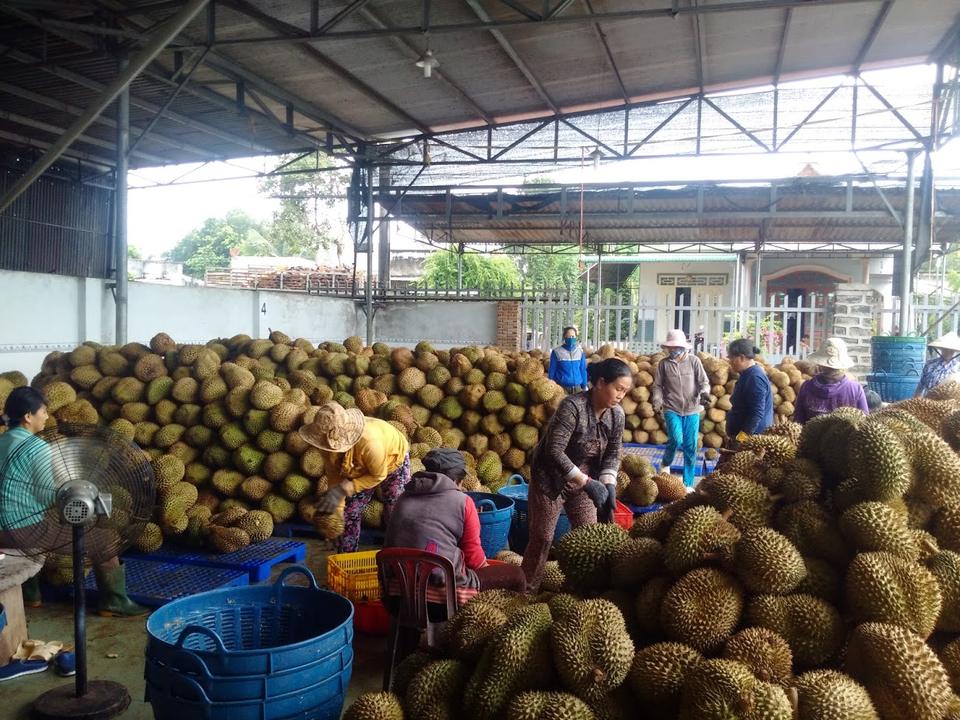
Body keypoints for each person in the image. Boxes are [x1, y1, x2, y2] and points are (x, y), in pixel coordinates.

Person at [0, 387, 148, 617]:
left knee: (37, 518)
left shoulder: (2, 441)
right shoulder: (37, 447)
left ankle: (30, 594)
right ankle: (114, 601)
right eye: (43, 411)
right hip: (21, 530)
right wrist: (73, 488)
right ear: (28, 416)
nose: (47, 416)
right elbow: (46, 496)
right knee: (104, 540)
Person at [521, 358, 631, 593]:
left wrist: (608, 483)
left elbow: (613, 453)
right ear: (601, 383)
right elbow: (554, 450)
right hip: (550, 478)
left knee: (587, 537)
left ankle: (575, 590)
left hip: (585, 480)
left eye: (625, 391)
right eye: (618, 388)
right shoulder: (573, 407)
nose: (621, 395)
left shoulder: (617, 416)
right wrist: (587, 482)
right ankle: (526, 591)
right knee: (543, 537)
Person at [384, 448, 526, 593]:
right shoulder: (463, 502)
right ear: (456, 479)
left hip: (396, 594)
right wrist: (488, 571)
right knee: (517, 574)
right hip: (443, 597)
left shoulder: (403, 497)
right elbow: (474, 560)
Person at [299, 401, 410, 553]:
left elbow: (378, 475)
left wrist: (350, 487)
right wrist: (336, 512)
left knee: (394, 508)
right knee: (349, 511)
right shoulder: (325, 444)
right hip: (357, 466)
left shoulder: (370, 443)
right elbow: (333, 475)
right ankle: (346, 555)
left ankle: (398, 554)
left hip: (392, 459)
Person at [651, 329, 710, 489]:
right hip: (671, 407)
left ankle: (688, 484)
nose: (673, 350)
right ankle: (666, 462)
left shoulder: (694, 361)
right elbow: (657, 386)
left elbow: (704, 382)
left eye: (676, 347)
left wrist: (704, 393)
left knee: (690, 446)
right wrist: (657, 400)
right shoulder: (664, 364)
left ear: (683, 346)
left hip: (692, 409)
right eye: (670, 347)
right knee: (676, 439)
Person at [793, 337, 869, 423]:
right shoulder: (855, 389)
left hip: (811, 436)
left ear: (820, 364)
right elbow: (864, 423)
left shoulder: (806, 387)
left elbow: (798, 422)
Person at [724, 339, 774, 447]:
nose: (730, 362)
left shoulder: (754, 378)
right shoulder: (747, 374)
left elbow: (756, 413)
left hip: (752, 440)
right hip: (745, 437)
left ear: (742, 357)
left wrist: (741, 439)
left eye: (732, 358)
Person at [915, 331, 960, 397]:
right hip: (928, 400)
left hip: (950, 402)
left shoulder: (957, 367)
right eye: (945, 349)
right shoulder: (930, 364)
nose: (948, 351)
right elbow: (921, 386)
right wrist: (915, 400)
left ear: (954, 351)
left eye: (951, 350)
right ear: (941, 349)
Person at [548, 326, 588, 394]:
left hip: (577, 388)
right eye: (569, 336)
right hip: (562, 388)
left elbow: (583, 370)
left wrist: (584, 385)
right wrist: (551, 386)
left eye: (573, 336)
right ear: (564, 337)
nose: (571, 338)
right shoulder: (556, 352)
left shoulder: (580, 352)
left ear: (576, 337)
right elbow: (552, 371)